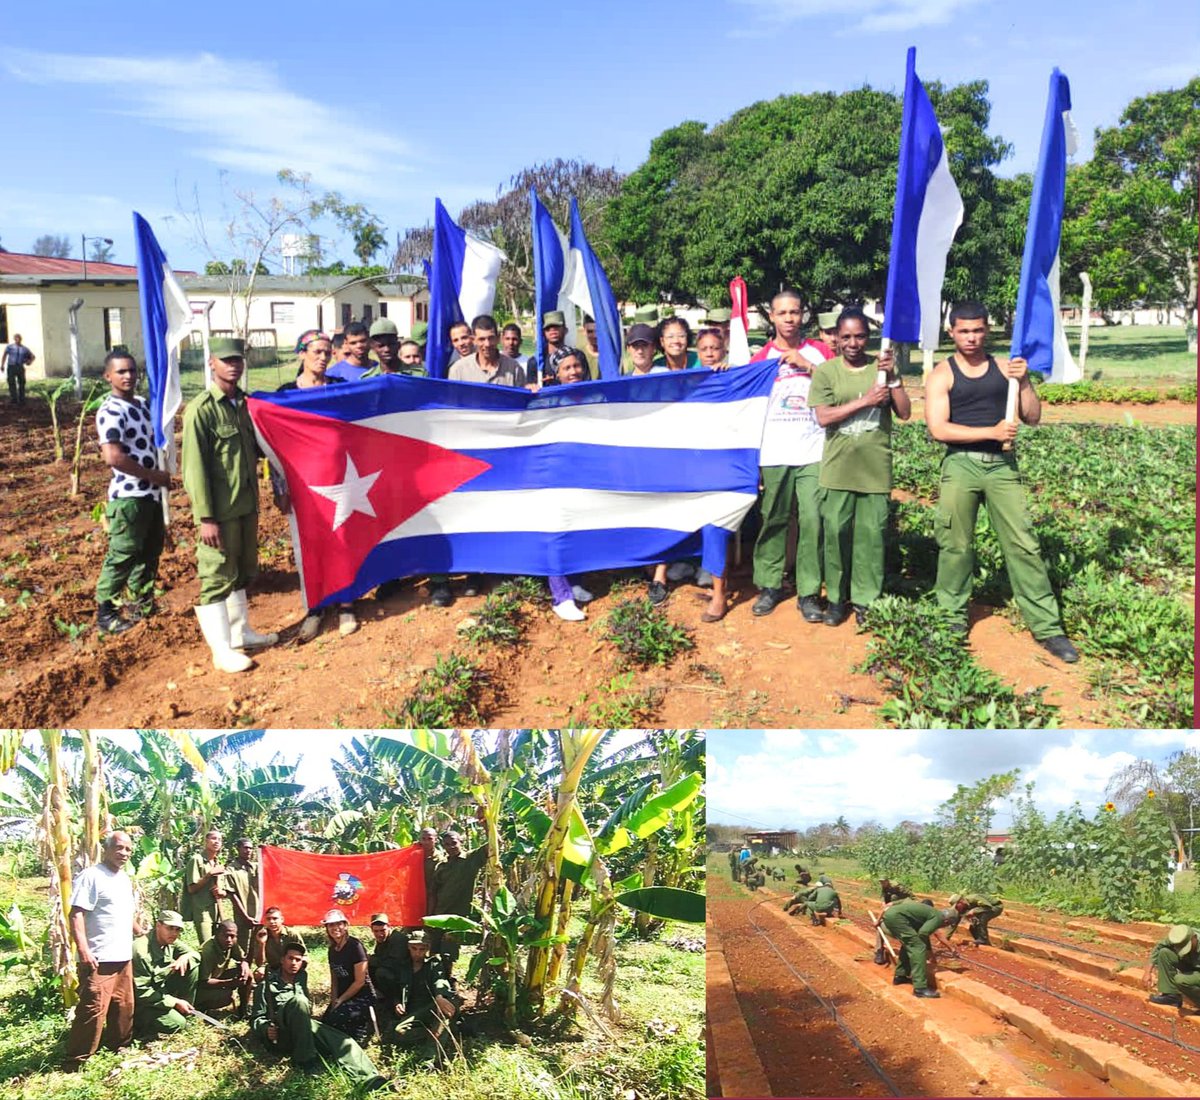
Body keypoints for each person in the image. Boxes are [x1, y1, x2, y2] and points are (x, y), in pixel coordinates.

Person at [925, 302, 1079, 662]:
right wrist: (990, 431)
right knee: (955, 546)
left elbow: (1033, 416)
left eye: (978, 330)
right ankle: (950, 619)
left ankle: (1048, 628)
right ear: (951, 332)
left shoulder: (1004, 369)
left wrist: (1023, 381)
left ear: (988, 330)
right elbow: (938, 429)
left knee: (1023, 545)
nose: (971, 337)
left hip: (1002, 468)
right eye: (964, 331)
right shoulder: (942, 374)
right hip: (960, 465)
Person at [181, 336, 279, 673]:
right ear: (212, 363)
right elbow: (194, 469)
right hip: (219, 513)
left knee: (241, 571)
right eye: (226, 360)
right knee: (216, 576)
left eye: (238, 359)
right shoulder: (202, 410)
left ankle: (241, 632)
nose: (233, 365)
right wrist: (206, 517)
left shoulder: (246, 405)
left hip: (245, 506)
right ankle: (221, 651)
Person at [810, 308, 911, 626]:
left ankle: (865, 600)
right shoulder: (826, 372)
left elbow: (905, 412)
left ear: (869, 337)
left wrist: (894, 378)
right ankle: (836, 598)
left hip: (874, 469)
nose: (853, 343)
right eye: (846, 337)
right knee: (836, 534)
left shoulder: (881, 369)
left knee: (871, 536)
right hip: (838, 469)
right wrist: (866, 401)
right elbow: (824, 417)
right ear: (836, 338)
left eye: (860, 336)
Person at [749, 290, 835, 622]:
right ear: (771, 316)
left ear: (803, 315)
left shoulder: (820, 352)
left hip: (813, 450)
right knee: (774, 517)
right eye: (782, 312)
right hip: (774, 452)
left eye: (794, 312)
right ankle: (770, 585)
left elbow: (837, 385)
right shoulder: (760, 359)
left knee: (813, 519)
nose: (789, 318)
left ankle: (809, 591)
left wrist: (808, 366)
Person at [275, 331, 358, 641]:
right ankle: (316, 608)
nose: (322, 357)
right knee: (309, 546)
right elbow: (274, 446)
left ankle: (347, 604)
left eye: (326, 352)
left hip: (340, 479)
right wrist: (279, 488)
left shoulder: (340, 389)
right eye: (316, 352)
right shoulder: (284, 395)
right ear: (301, 354)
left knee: (343, 540)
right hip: (302, 485)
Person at [93, 350, 171, 635]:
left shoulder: (141, 404)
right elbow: (113, 456)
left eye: (132, 370)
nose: (128, 376)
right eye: (121, 372)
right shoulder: (111, 411)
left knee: (149, 553)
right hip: (130, 496)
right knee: (123, 554)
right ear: (108, 376)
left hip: (151, 495)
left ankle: (141, 605)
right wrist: (153, 475)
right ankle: (106, 613)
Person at [250, 940, 387, 1088]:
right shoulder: (266, 986)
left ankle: (371, 1079)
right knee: (299, 1001)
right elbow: (256, 1018)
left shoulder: (301, 979)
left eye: (298, 960)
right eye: (290, 958)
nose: (294, 963)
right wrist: (266, 1029)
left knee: (343, 1042)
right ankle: (305, 1059)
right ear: (282, 960)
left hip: (303, 1028)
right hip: (282, 1033)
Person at [63, 832, 139, 1071]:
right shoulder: (91, 876)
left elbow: (124, 913)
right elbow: (76, 914)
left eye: (128, 849)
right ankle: (77, 1060)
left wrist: (140, 931)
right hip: (99, 957)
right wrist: (83, 949)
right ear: (106, 849)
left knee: (123, 1005)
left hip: (123, 955)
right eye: (119, 848)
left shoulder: (124, 879)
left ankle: (120, 1045)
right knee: (93, 1009)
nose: (124, 853)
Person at [542, 347, 598, 622]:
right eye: (566, 368)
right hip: (555, 477)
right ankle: (561, 596)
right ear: (557, 373)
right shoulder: (547, 399)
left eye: (576, 366)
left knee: (578, 529)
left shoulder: (595, 396)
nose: (573, 371)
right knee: (556, 532)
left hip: (584, 473)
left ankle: (575, 581)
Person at [131, 910, 200, 1037]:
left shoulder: (170, 941)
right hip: (142, 1003)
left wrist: (184, 957)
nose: (174, 933)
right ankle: (140, 1026)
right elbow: (141, 992)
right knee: (178, 1024)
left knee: (192, 966)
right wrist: (174, 1002)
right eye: (170, 928)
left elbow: (195, 954)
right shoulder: (141, 951)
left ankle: (185, 1010)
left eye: (178, 930)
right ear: (158, 925)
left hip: (159, 992)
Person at [391, 930, 459, 1058]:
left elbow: (439, 980)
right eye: (414, 949)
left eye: (422, 949)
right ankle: (443, 1031)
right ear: (408, 947)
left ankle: (429, 1057)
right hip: (414, 1012)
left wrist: (439, 996)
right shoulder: (403, 965)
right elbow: (395, 989)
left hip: (433, 1006)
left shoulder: (434, 963)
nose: (417, 953)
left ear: (427, 948)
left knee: (444, 1009)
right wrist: (397, 1003)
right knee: (399, 1032)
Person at [432, 831, 489, 974]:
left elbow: (494, 845)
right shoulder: (441, 865)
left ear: (461, 842)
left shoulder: (470, 859)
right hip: (439, 912)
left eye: (454, 843)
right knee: (434, 949)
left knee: (449, 951)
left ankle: (449, 979)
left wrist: (486, 825)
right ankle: (435, 979)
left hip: (457, 914)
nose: (451, 847)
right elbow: (435, 890)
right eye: (447, 844)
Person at [879, 899, 955, 998]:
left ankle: (900, 976)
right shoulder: (939, 917)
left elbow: (922, 931)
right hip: (897, 918)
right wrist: (921, 945)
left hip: (891, 915)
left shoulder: (932, 913)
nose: (943, 926)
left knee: (909, 944)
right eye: (946, 925)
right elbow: (923, 933)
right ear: (947, 921)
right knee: (918, 947)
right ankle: (920, 988)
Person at [322, 908, 375, 1044]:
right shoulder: (332, 950)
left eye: (339, 924)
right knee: (327, 1021)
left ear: (345, 926)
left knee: (340, 1018)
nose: (335, 928)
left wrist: (341, 1000)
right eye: (331, 925)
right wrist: (334, 1000)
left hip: (361, 995)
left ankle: (363, 1029)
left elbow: (360, 981)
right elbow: (334, 979)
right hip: (342, 995)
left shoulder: (355, 946)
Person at [447, 314, 526, 387]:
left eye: (491, 338)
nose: (487, 344)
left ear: (498, 338)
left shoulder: (514, 369)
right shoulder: (458, 370)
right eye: (482, 339)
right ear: (474, 340)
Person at [196, 919, 252, 1017]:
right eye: (226, 936)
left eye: (232, 936)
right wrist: (229, 983)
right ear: (217, 934)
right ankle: (200, 1007)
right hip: (200, 988)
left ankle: (243, 1009)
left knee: (247, 974)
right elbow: (203, 982)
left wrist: (244, 963)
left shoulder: (231, 943)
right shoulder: (208, 951)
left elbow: (243, 957)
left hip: (218, 976)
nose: (229, 939)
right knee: (226, 996)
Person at [181, 829, 228, 945]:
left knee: (219, 946)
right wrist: (209, 875)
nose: (216, 842)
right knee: (206, 946)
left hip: (217, 912)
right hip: (202, 911)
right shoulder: (196, 860)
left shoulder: (218, 863)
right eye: (213, 838)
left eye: (219, 840)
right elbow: (191, 888)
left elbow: (225, 890)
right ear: (206, 841)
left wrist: (221, 892)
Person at [1148, 924, 1200, 1008]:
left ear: (1194, 937)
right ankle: (1171, 996)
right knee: (1164, 953)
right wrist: (1148, 972)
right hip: (1189, 963)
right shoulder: (1179, 937)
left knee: (1180, 980)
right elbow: (1158, 948)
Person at [225, 838, 260, 954]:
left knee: (259, 943)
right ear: (238, 849)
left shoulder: (256, 868)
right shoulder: (231, 870)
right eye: (245, 848)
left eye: (250, 848)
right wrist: (245, 916)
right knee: (242, 947)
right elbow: (232, 895)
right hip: (242, 914)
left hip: (259, 913)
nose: (248, 850)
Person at [367, 913, 410, 1007]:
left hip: (404, 975)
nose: (380, 934)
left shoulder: (398, 939)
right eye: (376, 931)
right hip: (393, 973)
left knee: (381, 972)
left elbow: (393, 963)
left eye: (383, 930)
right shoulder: (382, 940)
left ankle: (394, 1001)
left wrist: (371, 959)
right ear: (371, 930)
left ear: (389, 927)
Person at [251, 906, 292, 981]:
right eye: (268, 919)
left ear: (282, 919)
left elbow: (303, 956)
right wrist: (262, 943)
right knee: (259, 973)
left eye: (275, 918)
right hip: (272, 968)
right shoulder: (261, 935)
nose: (272, 922)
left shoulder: (291, 934)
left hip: (289, 967)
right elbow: (260, 964)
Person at [530, 310, 570, 384]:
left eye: (556, 327)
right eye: (548, 328)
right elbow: (530, 387)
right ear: (543, 333)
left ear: (565, 330)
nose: (552, 330)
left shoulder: (577, 356)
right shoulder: (536, 361)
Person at [3, 333, 33, 405]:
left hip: (20, 367)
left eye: (19, 338)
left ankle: (22, 399)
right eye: (16, 338)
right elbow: (4, 355)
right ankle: (14, 399)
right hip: (11, 367)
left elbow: (32, 356)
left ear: (21, 339)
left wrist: (29, 361)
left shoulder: (24, 349)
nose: (17, 340)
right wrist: (2, 365)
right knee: (11, 382)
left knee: (22, 383)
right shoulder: (9, 347)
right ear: (14, 339)